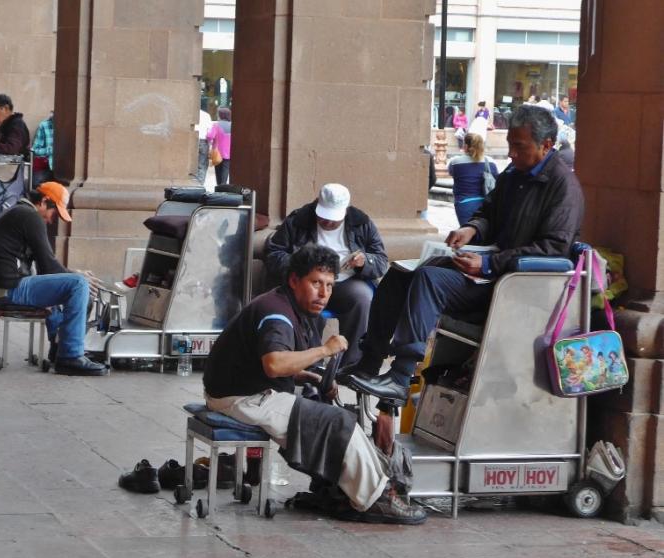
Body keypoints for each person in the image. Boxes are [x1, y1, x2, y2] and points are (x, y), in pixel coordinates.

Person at [340, 104, 585, 402]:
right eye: (509, 145)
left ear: (546, 145)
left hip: (514, 286)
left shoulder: (563, 187)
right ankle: (370, 361)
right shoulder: (514, 174)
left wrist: (489, 264)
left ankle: (401, 376)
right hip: (491, 270)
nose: (511, 154)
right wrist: (472, 229)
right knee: (399, 274)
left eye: (519, 147)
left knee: (429, 280)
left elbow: (553, 250)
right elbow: (488, 211)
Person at [203, 245, 426, 524]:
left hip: (248, 388)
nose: (323, 294)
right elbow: (273, 364)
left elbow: (271, 364)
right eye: (316, 283)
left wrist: (309, 376)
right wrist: (325, 350)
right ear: (294, 280)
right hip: (238, 397)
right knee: (333, 422)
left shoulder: (290, 305)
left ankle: (342, 490)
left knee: (339, 415)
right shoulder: (276, 313)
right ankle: (376, 499)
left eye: (330, 285)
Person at [0, 183, 109, 376]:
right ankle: (70, 356)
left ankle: (59, 347)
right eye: (53, 213)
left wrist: (72, 273)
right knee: (78, 284)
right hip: (9, 288)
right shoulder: (30, 216)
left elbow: (45, 269)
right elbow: (48, 266)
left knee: (71, 284)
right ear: (43, 201)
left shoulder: (20, 213)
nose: (51, 220)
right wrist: (77, 275)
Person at [265, 183, 388, 367]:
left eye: (334, 219)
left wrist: (365, 262)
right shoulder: (298, 220)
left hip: (346, 281)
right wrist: (301, 264)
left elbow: (381, 260)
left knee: (363, 298)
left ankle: (351, 365)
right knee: (309, 300)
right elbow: (274, 253)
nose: (328, 223)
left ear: (345, 211)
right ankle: (311, 367)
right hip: (310, 280)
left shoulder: (361, 223)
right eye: (323, 217)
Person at [446, 133, 499, 225]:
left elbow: (451, 173)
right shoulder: (491, 162)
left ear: (466, 146)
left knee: (466, 234)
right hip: (486, 205)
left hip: (464, 203)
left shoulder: (455, 162)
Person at [207, 106, 232, 185]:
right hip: (229, 153)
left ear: (220, 115)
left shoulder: (216, 125)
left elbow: (210, 136)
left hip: (218, 153)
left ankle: (218, 189)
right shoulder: (232, 125)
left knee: (218, 172)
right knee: (225, 172)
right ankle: (223, 187)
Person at [31, 109, 54, 186]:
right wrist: (51, 150)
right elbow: (35, 150)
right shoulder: (44, 126)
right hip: (46, 166)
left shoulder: (70, 127)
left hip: (63, 169)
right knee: (36, 185)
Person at [195, 98, 213, 183]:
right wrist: (210, 145)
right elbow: (210, 132)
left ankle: (192, 183)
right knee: (202, 164)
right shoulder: (206, 115)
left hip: (192, 140)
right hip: (203, 141)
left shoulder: (191, 114)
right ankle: (200, 184)